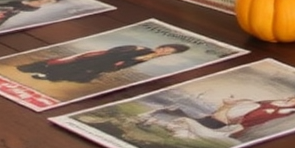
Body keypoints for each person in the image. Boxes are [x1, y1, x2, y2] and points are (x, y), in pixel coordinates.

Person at [18, 42, 187, 84]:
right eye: (166, 49)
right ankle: (41, 71)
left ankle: (46, 76)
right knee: (68, 65)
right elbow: (116, 51)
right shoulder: (141, 48)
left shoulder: (150, 58)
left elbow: (127, 64)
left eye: (169, 53)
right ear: (162, 47)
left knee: (80, 76)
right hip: (101, 59)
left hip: (107, 66)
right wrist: (127, 59)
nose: (164, 52)